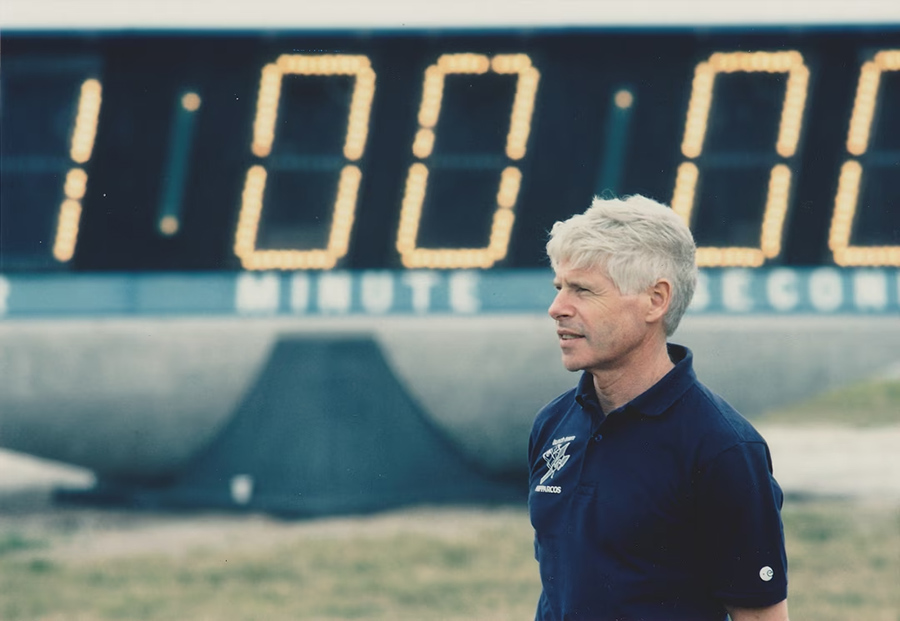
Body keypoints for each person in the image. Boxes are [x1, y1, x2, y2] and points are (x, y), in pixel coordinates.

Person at [529, 194, 789, 621]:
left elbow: (760, 617)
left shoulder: (722, 449)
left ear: (655, 300)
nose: (557, 308)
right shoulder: (553, 424)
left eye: (582, 290)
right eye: (560, 287)